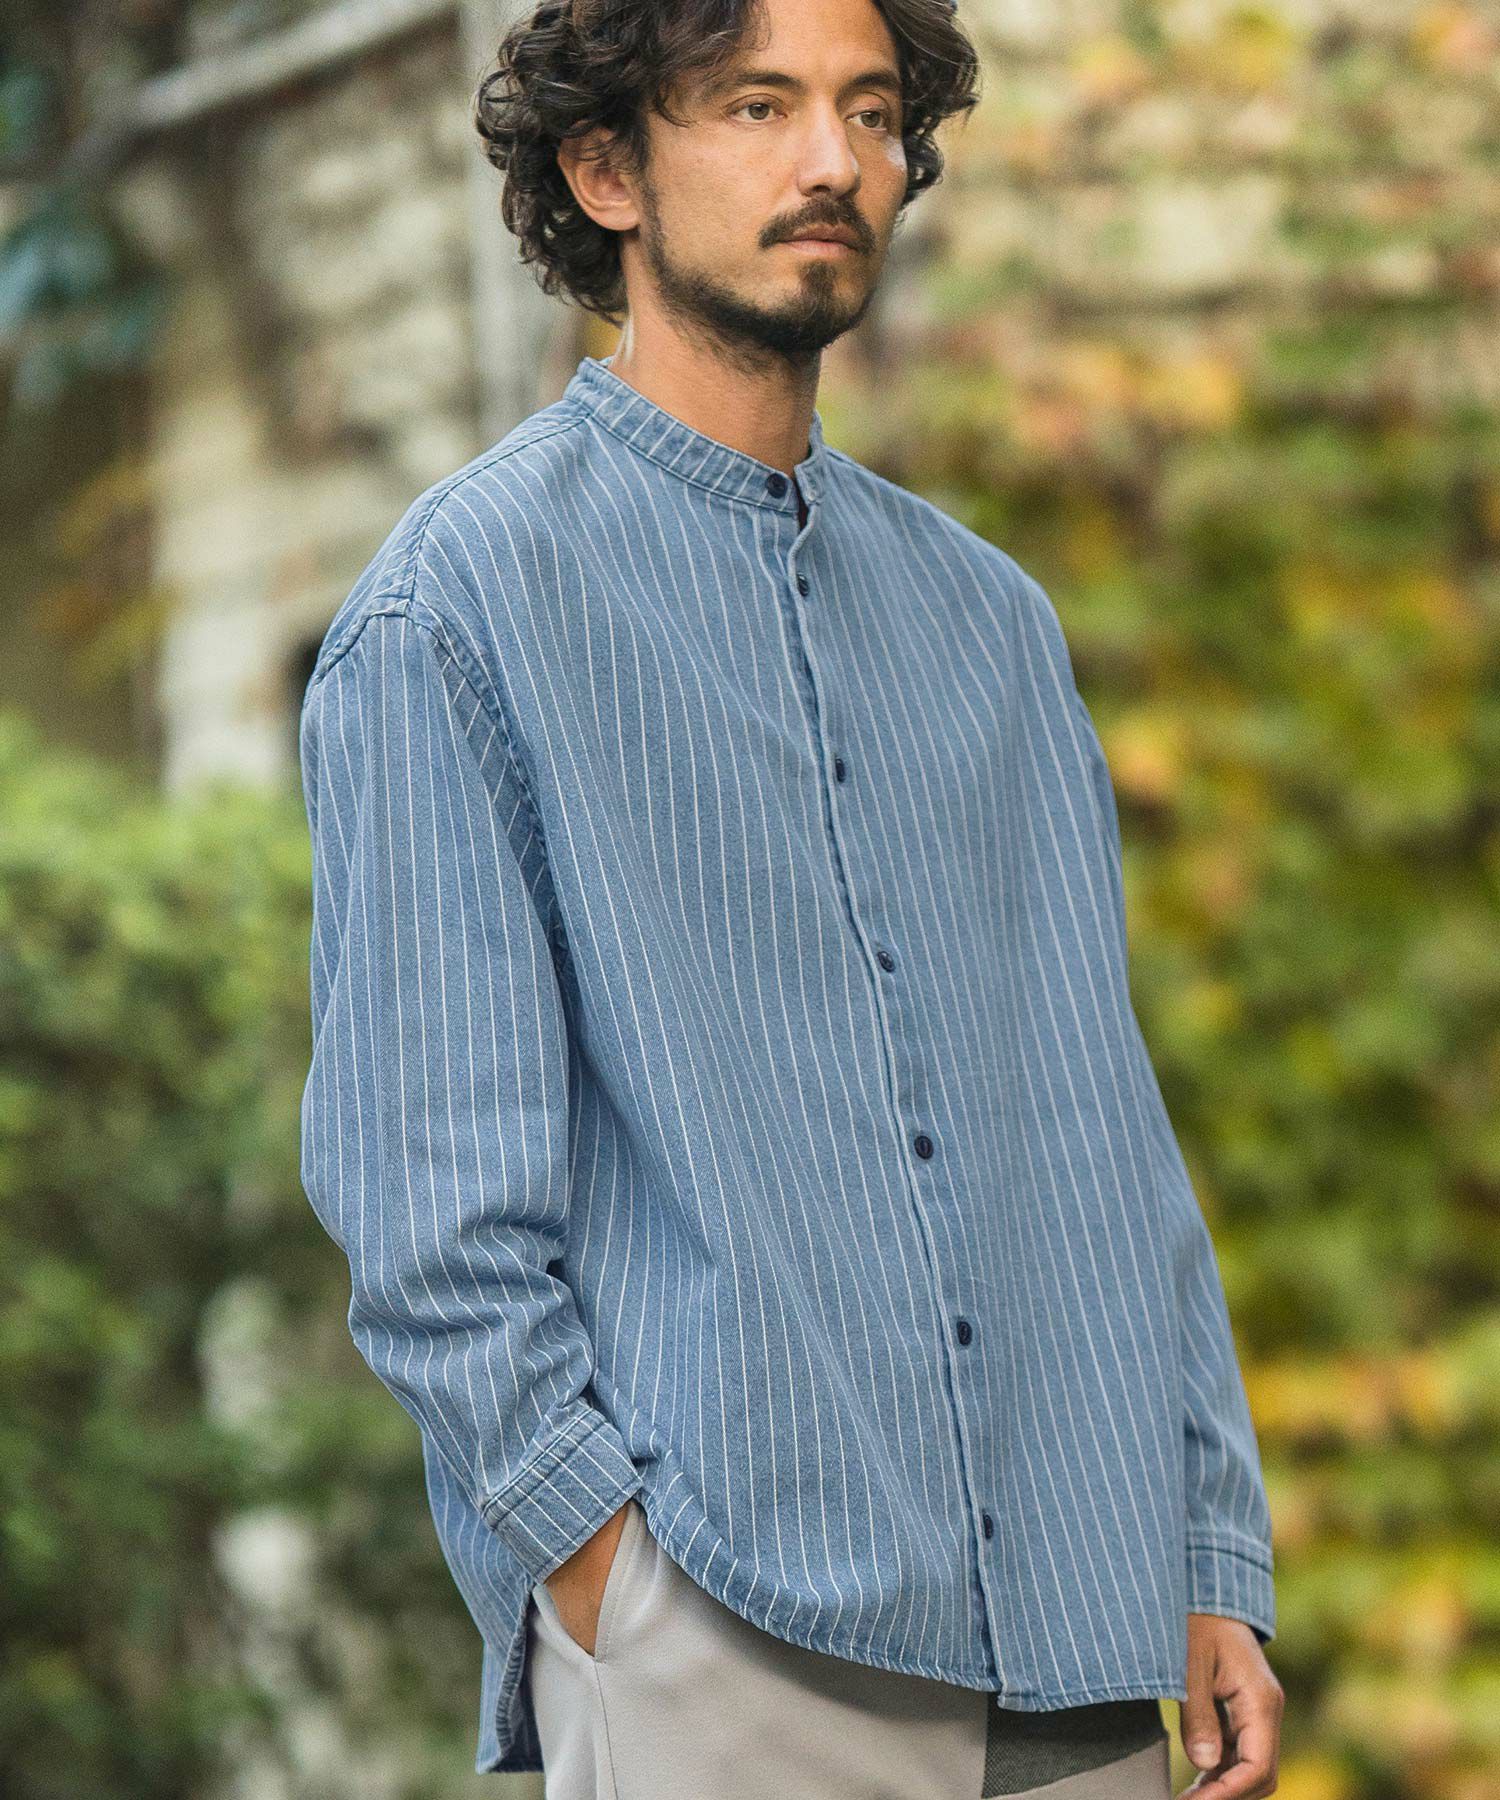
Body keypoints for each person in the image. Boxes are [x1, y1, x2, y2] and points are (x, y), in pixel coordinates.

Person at [296, 0, 1284, 1793]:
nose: (834, 160)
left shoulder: (994, 625)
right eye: (756, 106)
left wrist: (1207, 1548)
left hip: (1084, 1640)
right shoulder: (458, 611)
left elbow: (1104, 1138)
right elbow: (429, 1208)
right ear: (606, 169)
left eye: (870, 110)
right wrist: (608, 1578)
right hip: (733, 1639)